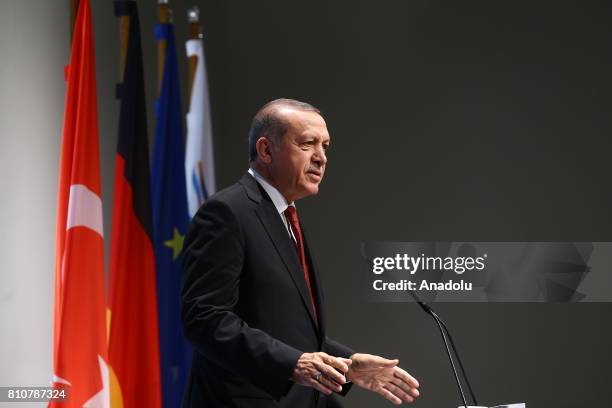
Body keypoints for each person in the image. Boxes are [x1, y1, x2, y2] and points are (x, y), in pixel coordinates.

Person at [181, 98, 420, 407]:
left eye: (325, 146)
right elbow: (204, 319)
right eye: (308, 144)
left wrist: (347, 363)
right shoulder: (227, 212)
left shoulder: (284, 215)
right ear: (266, 150)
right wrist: (293, 364)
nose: (321, 158)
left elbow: (284, 329)